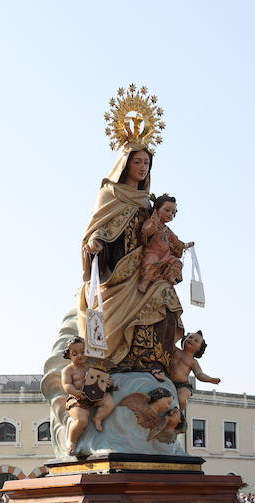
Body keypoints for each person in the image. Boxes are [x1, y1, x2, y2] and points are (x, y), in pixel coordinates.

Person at [79, 145, 184, 373]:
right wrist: (95, 242)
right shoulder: (110, 194)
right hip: (116, 271)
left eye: (146, 163)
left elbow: (157, 234)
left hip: (144, 269)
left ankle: (152, 363)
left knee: (166, 298)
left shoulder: (147, 203)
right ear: (126, 164)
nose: (142, 168)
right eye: (137, 162)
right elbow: (97, 228)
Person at [137, 194, 194, 294]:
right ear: (157, 209)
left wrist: (186, 245)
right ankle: (144, 283)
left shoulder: (168, 231)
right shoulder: (151, 222)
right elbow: (146, 232)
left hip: (166, 256)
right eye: (167, 210)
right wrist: (153, 223)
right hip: (152, 253)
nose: (170, 214)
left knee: (177, 262)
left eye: (173, 213)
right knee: (151, 261)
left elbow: (177, 243)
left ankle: (170, 276)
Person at [167, 330, 220, 414]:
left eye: (196, 341)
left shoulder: (193, 361)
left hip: (182, 385)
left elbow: (199, 374)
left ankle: (179, 414)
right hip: (167, 380)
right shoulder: (175, 350)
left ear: (199, 348)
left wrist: (210, 379)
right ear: (184, 339)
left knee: (181, 398)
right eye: (190, 337)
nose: (191, 340)